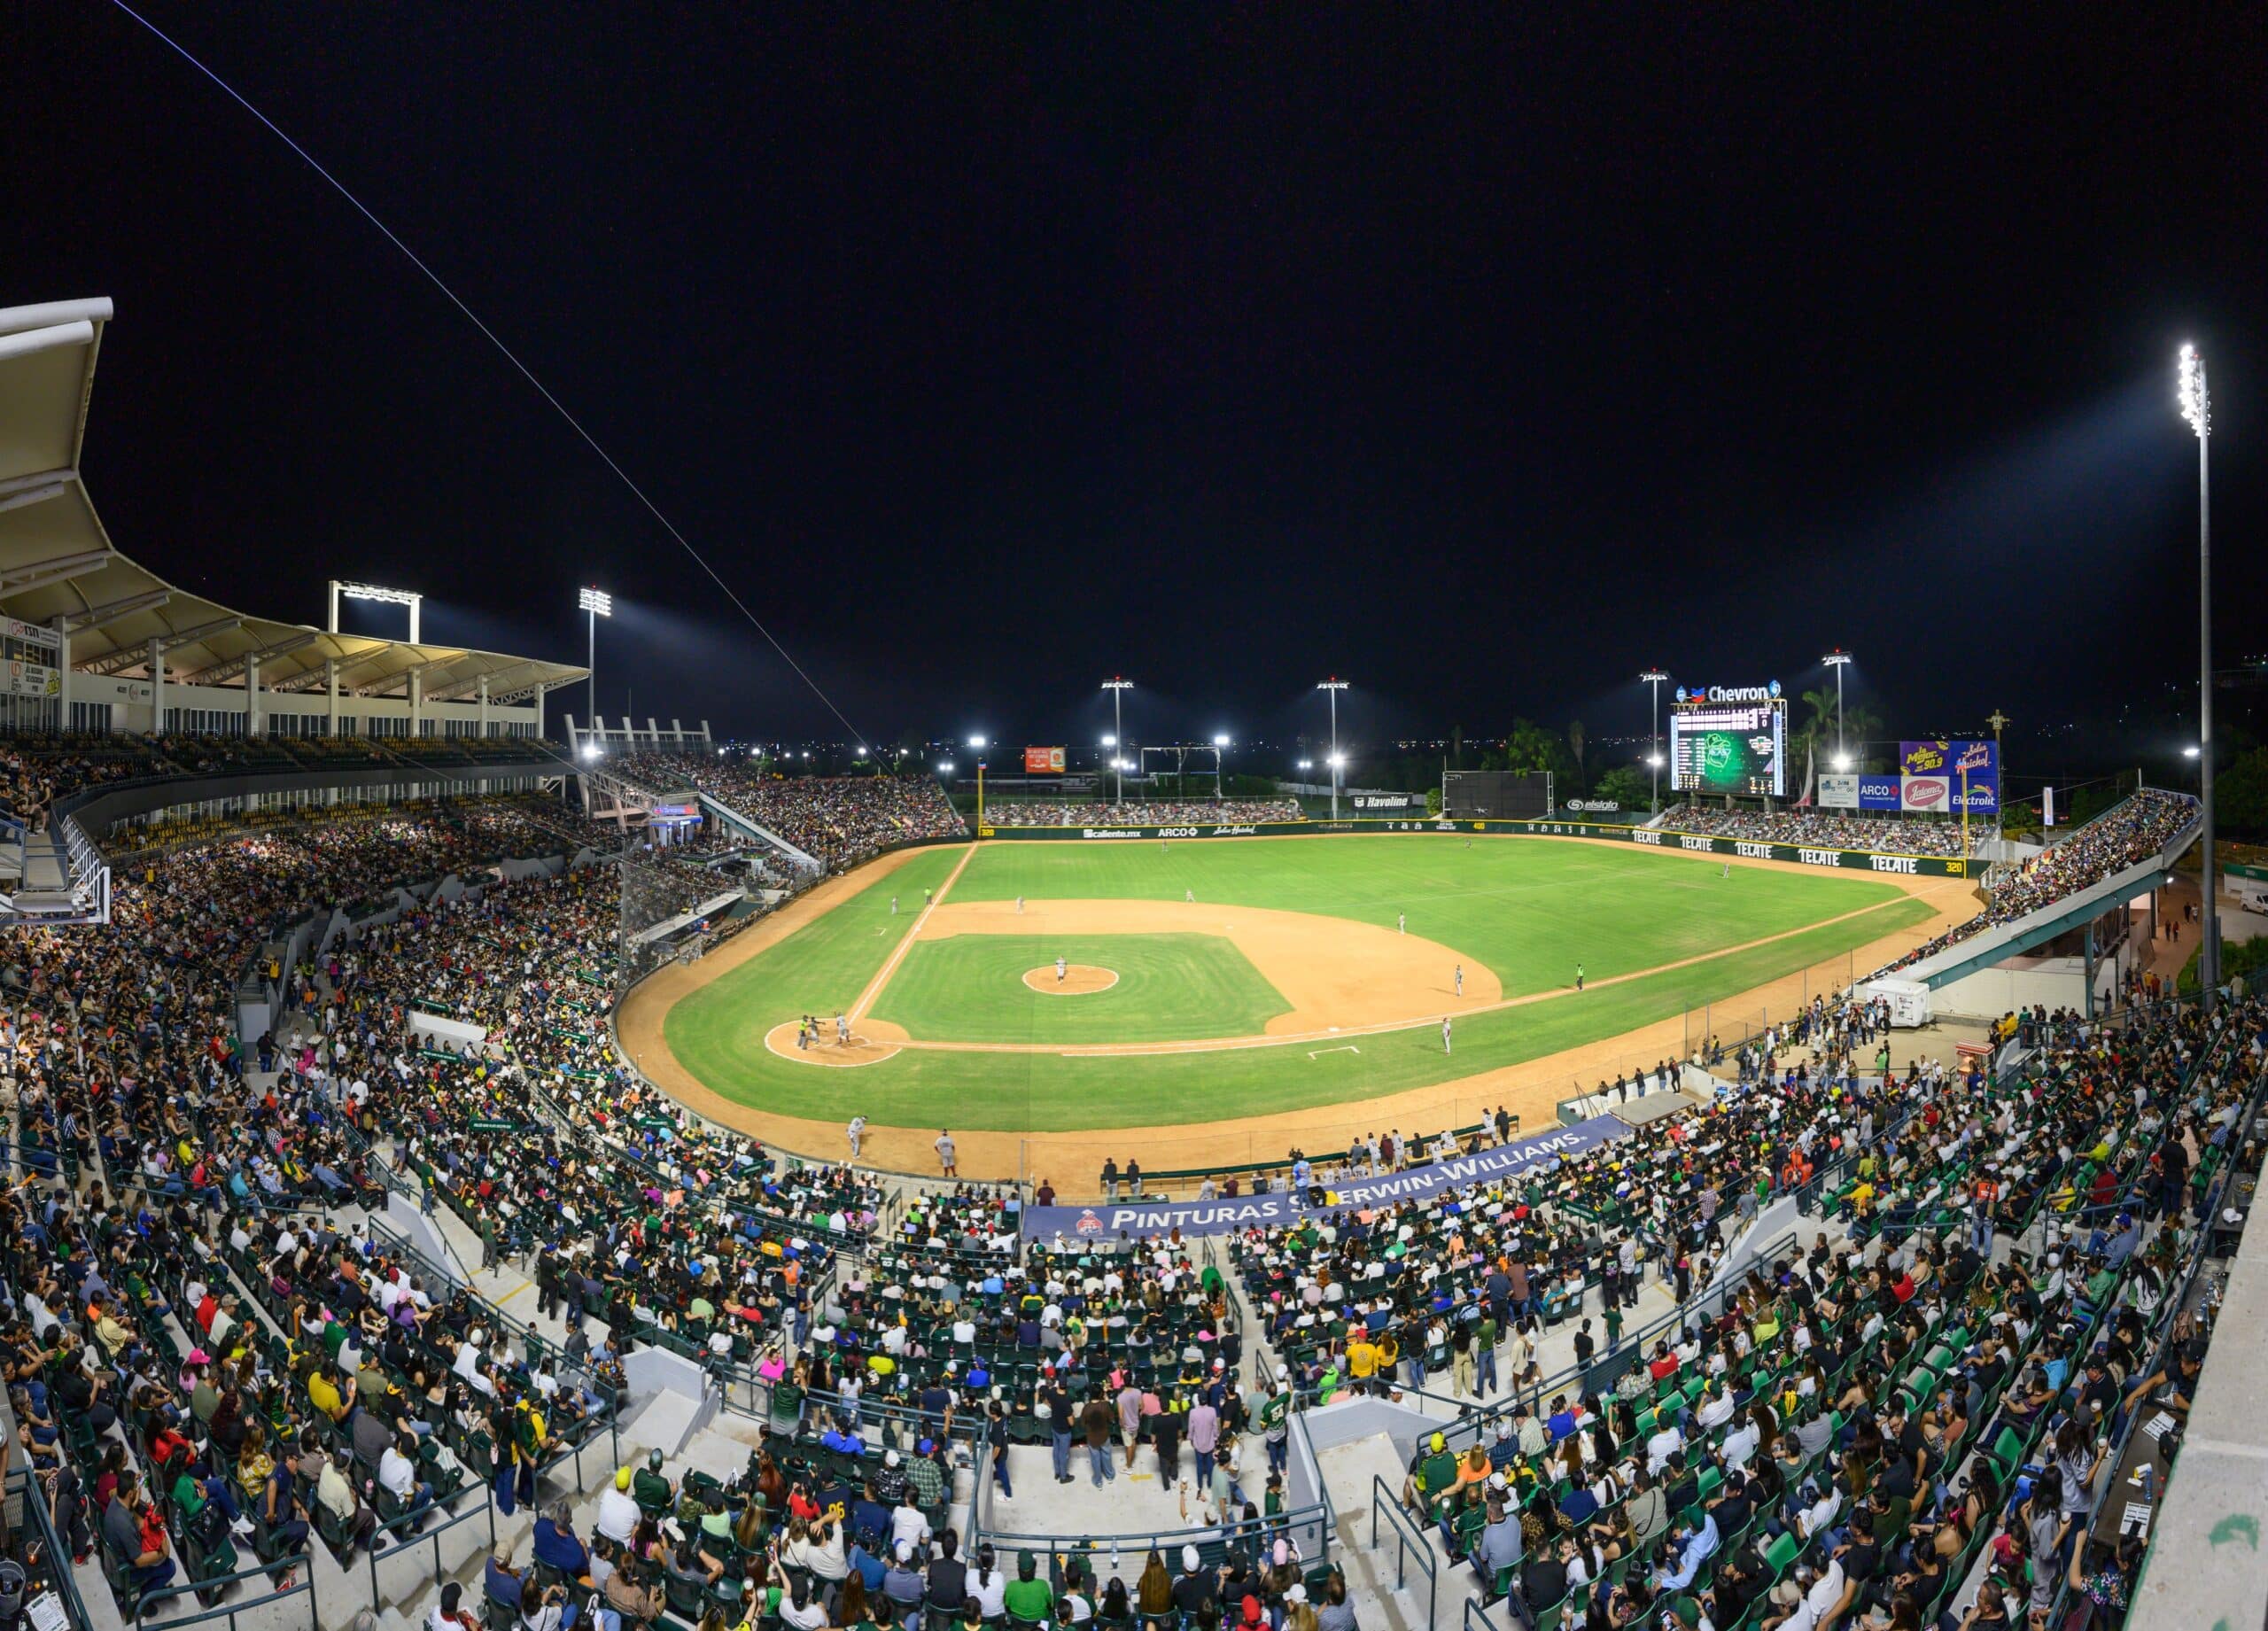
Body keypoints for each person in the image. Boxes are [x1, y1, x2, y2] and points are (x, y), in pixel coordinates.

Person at [1003, 1552, 1054, 1624]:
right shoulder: (1043, 1585)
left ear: (1019, 1569)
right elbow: (1050, 1606)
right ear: (1034, 1569)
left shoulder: (1010, 1586)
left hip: (1018, 1627)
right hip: (1040, 1627)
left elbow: (1007, 1606)